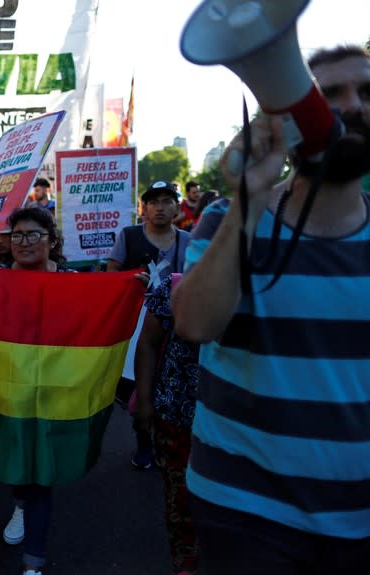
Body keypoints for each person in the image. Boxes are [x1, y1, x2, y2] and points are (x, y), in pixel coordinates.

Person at [172, 45, 370, 574]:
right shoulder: (224, 218)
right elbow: (193, 324)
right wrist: (249, 200)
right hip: (246, 511)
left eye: (367, 93)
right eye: (330, 96)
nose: (354, 106)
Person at [0, 207, 72, 575]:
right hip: (9, 391)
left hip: (54, 390)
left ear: (51, 241)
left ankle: (33, 560)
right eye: (17, 235)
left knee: (42, 472)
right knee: (18, 462)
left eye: (34, 235)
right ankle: (18, 500)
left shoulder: (73, 282)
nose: (24, 242)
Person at [108, 181, 192, 470]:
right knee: (138, 386)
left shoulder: (188, 241)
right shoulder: (129, 236)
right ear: (144, 208)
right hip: (135, 327)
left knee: (170, 384)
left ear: (177, 208)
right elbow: (112, 272)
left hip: (175, 328)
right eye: (154, 201)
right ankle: (143, 439)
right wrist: (130, 285)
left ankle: (166, 442)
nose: (160, 207)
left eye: (167, 201)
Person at [134, 273, 200, 575]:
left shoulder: (268, 288)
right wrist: (145, 403)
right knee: (181, 499)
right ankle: (185, 564)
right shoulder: (173, 287)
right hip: (177, 416)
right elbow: (148, 343)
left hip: (242, 423)